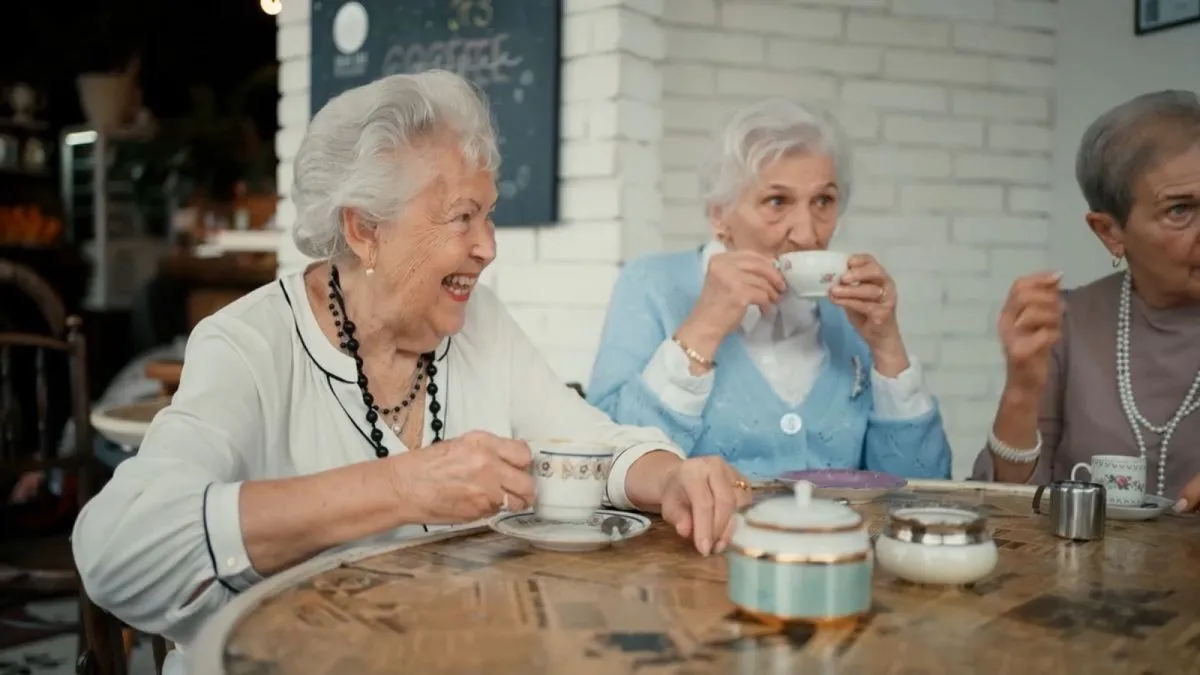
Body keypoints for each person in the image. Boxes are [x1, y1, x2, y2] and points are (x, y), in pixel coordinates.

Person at [71, 70, 752, 674]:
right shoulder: (249, 342)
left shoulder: (478, 322)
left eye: (488, 214)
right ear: (365, 230)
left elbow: (583, 441)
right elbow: (119, 549)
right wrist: (402, 486)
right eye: (462, 217)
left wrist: (670, 476)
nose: (487, 247)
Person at [586, 99, 951, 480]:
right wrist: (704, 327)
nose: (808, 234)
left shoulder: (852, 313)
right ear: (719, 216)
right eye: (777, 201)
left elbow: (922, 488)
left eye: (823, 201)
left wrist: (887, 346)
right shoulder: (652, 285)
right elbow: (601, 464)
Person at [971, 90, 1200, 510]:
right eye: (1180, 210)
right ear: (1110, 232)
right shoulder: (1069, 323)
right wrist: (1021, 390)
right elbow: (1010, 509)